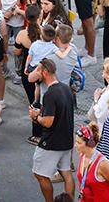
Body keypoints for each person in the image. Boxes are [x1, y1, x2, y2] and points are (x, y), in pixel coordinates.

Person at [30, 57, 76, 202]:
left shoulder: (50, 94)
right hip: (67, 139)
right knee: (66, 174)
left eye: (38, 70)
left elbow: (48, 122)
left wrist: (36, 117)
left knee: (40, 174)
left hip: (51, 142)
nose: (36, 73)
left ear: (44, 72)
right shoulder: (66, 88)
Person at [73, 123, 109, 202]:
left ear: (89, 144)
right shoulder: (82, 156)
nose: (75, 145)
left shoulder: (103, 164)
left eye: (79, 143)